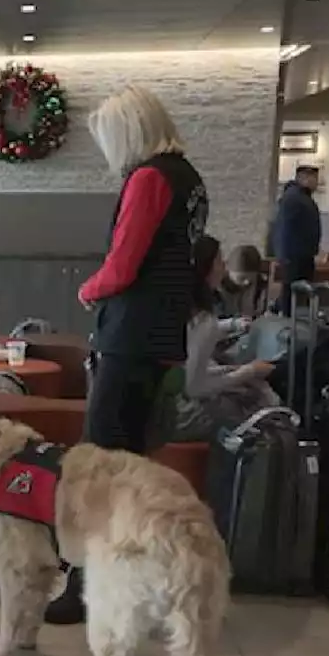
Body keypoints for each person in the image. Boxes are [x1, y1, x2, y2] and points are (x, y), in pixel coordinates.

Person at [58, 85, 207, 626]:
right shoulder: (191, 181)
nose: (109, 155)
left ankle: (84, 587)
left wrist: (87, 290)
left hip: (129, 340)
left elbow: (121, 268)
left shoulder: (148, 178)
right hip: (164, 342)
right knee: (136, 470)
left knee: (98, 470)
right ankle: (131, 584)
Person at [171, 235, 280, 442]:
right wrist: (248, 372)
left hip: (165, 402)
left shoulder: (182, 305)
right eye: (219, 261)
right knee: (251, 414)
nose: (223, 267)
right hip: (177, 413)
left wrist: (232, 326)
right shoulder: (203, 318)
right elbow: (193, 387)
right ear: (208, 270)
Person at [271, 166, 322, 316]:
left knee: (297, 291)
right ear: (303, 178)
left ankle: (287, 314)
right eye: (314, 179)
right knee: (292, 290)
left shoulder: (302, 197)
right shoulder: (294, 198)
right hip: (295, 255)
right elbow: (284, 228)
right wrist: (283, 255)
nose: (316, 183)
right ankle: (286, 320)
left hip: (302, 254)